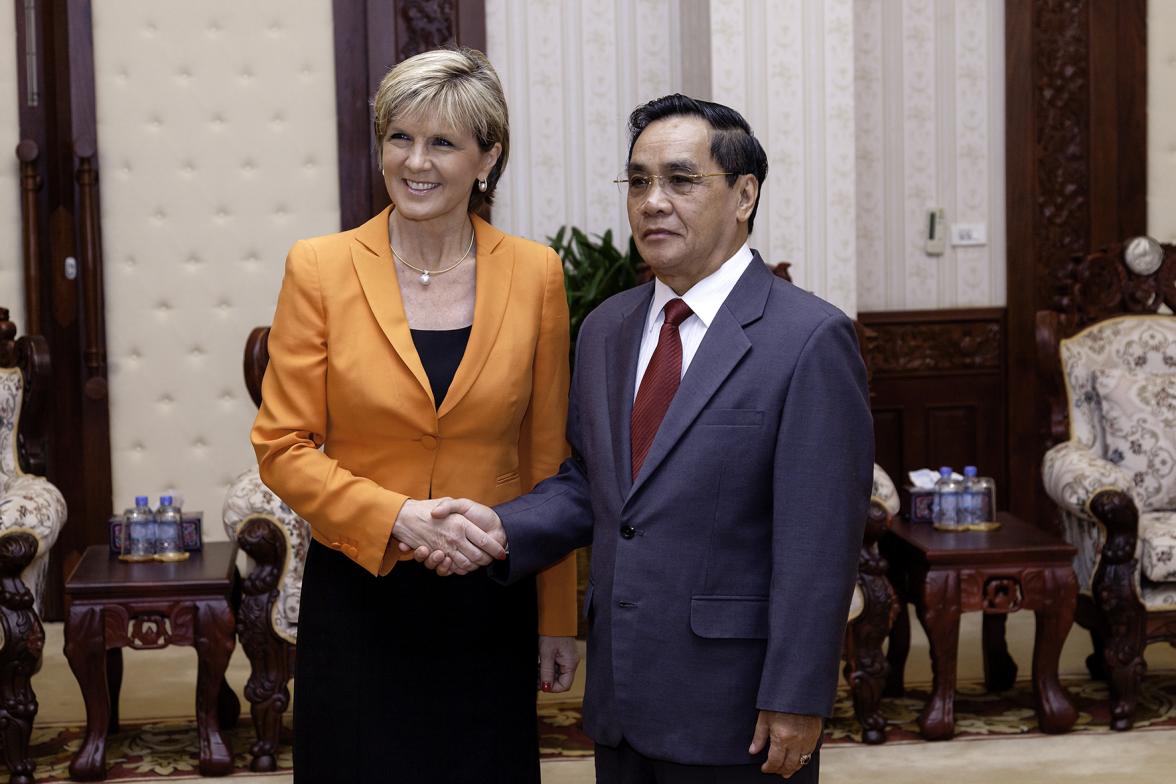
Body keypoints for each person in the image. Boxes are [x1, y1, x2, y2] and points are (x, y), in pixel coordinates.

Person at [419, 95, 873, 782]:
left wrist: (797, 697)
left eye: (680, 180)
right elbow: (591, 484)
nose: (652, 201)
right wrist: (500, 526)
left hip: (739, 711)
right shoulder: (607, 327)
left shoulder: (808, 339)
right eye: (637, 182)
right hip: (622, 695)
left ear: (744, 194)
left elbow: (820, 544)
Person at [251, 47, 579, 784]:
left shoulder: (537, 273)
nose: (415, 161)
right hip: (361, 589)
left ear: (487, 157)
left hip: (487, 593)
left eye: (443, 142)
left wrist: (558, 617)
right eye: (399, 137)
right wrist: (396, 515)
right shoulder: (320, 267)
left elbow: (548, 458)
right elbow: (283, 445)